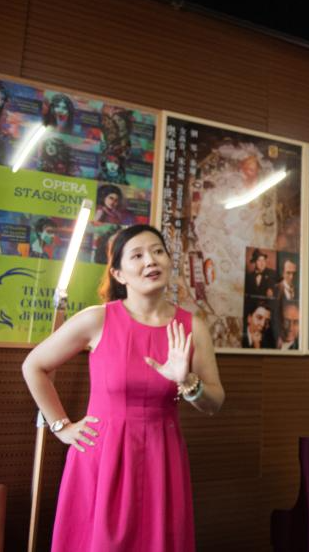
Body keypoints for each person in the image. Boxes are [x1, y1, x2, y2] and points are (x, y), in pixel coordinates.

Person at [22, 224, 224, 551]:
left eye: (158, 252)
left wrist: (187, 382)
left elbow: (214, 402)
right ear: (118, 273)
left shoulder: (193, 327)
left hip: (162, 456)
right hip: (103, 456)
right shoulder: (96, 319)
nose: (151, 261)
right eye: (138, 255)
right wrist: (61, 426)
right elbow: (34, 366)